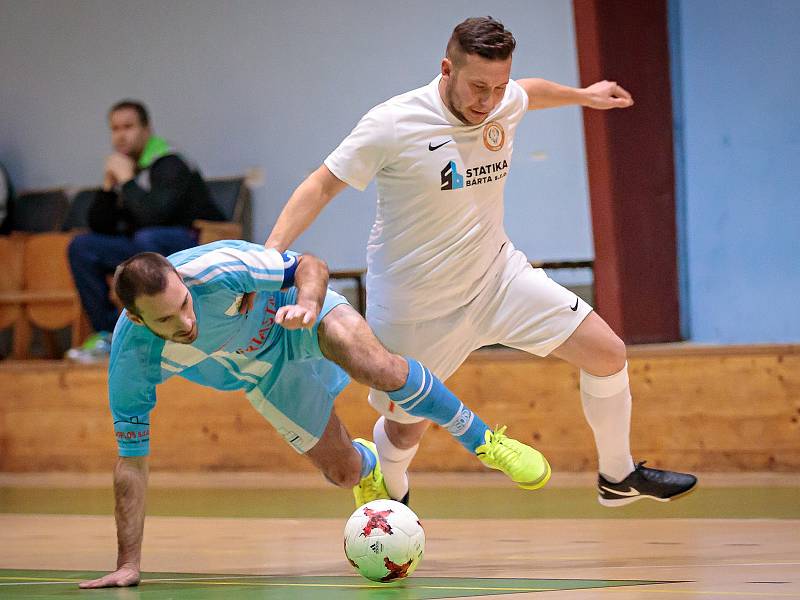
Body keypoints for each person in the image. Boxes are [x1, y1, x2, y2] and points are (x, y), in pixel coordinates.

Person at [265, 16, 697, 507]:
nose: (488, 101)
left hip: (497, 277)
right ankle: (393, 500)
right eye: (477, 87)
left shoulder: (503, 98)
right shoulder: (393, 122)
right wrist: (268, 258)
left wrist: (584, 94)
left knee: (608, 353)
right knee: (405, 429)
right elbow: (321, 184)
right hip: (415, 301)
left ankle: (617, 476)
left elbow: (529, 91)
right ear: (446, 69)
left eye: (498, 87)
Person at [78, 239, 548, 589]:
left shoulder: (216, 270)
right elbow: (131, 462)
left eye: (184, 304)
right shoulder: (132, 361)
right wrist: (128, 562)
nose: (186, 322)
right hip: (262, 376)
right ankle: (367, 464)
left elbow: (309, 265)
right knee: (343, 474)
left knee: (375, 365)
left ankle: (485, 441)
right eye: (166, 320)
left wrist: (307, 303)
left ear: (183, 282)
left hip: (295, 314)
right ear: (137, 320)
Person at [67, 100, 223, 363]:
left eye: (128, 126)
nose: (120, 135)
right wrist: (108, 187)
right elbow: (100, 226)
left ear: (146, 129)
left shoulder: (170, 162)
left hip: (190, 243)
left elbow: (155, 216)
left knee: (147, 238)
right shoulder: (129, 167)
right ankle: (110, 333)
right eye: (115, 128)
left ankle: (156, 330)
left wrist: (127, 181)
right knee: (82, 247)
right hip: (143, 247)